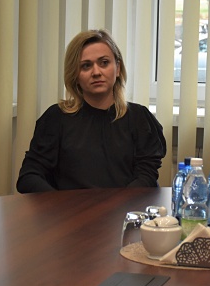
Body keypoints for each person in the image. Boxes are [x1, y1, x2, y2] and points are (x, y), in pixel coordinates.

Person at [16, 29, 166, 192]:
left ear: (117, 68)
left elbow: (146, 176)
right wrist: (59, 204)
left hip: (126, 206)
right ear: (75, 74)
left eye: (104, 63)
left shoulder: (139, 118)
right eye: (86, 66)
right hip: (71, 207)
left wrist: (122, 202)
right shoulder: (56, 118)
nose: (96, 72)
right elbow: (29, 177)